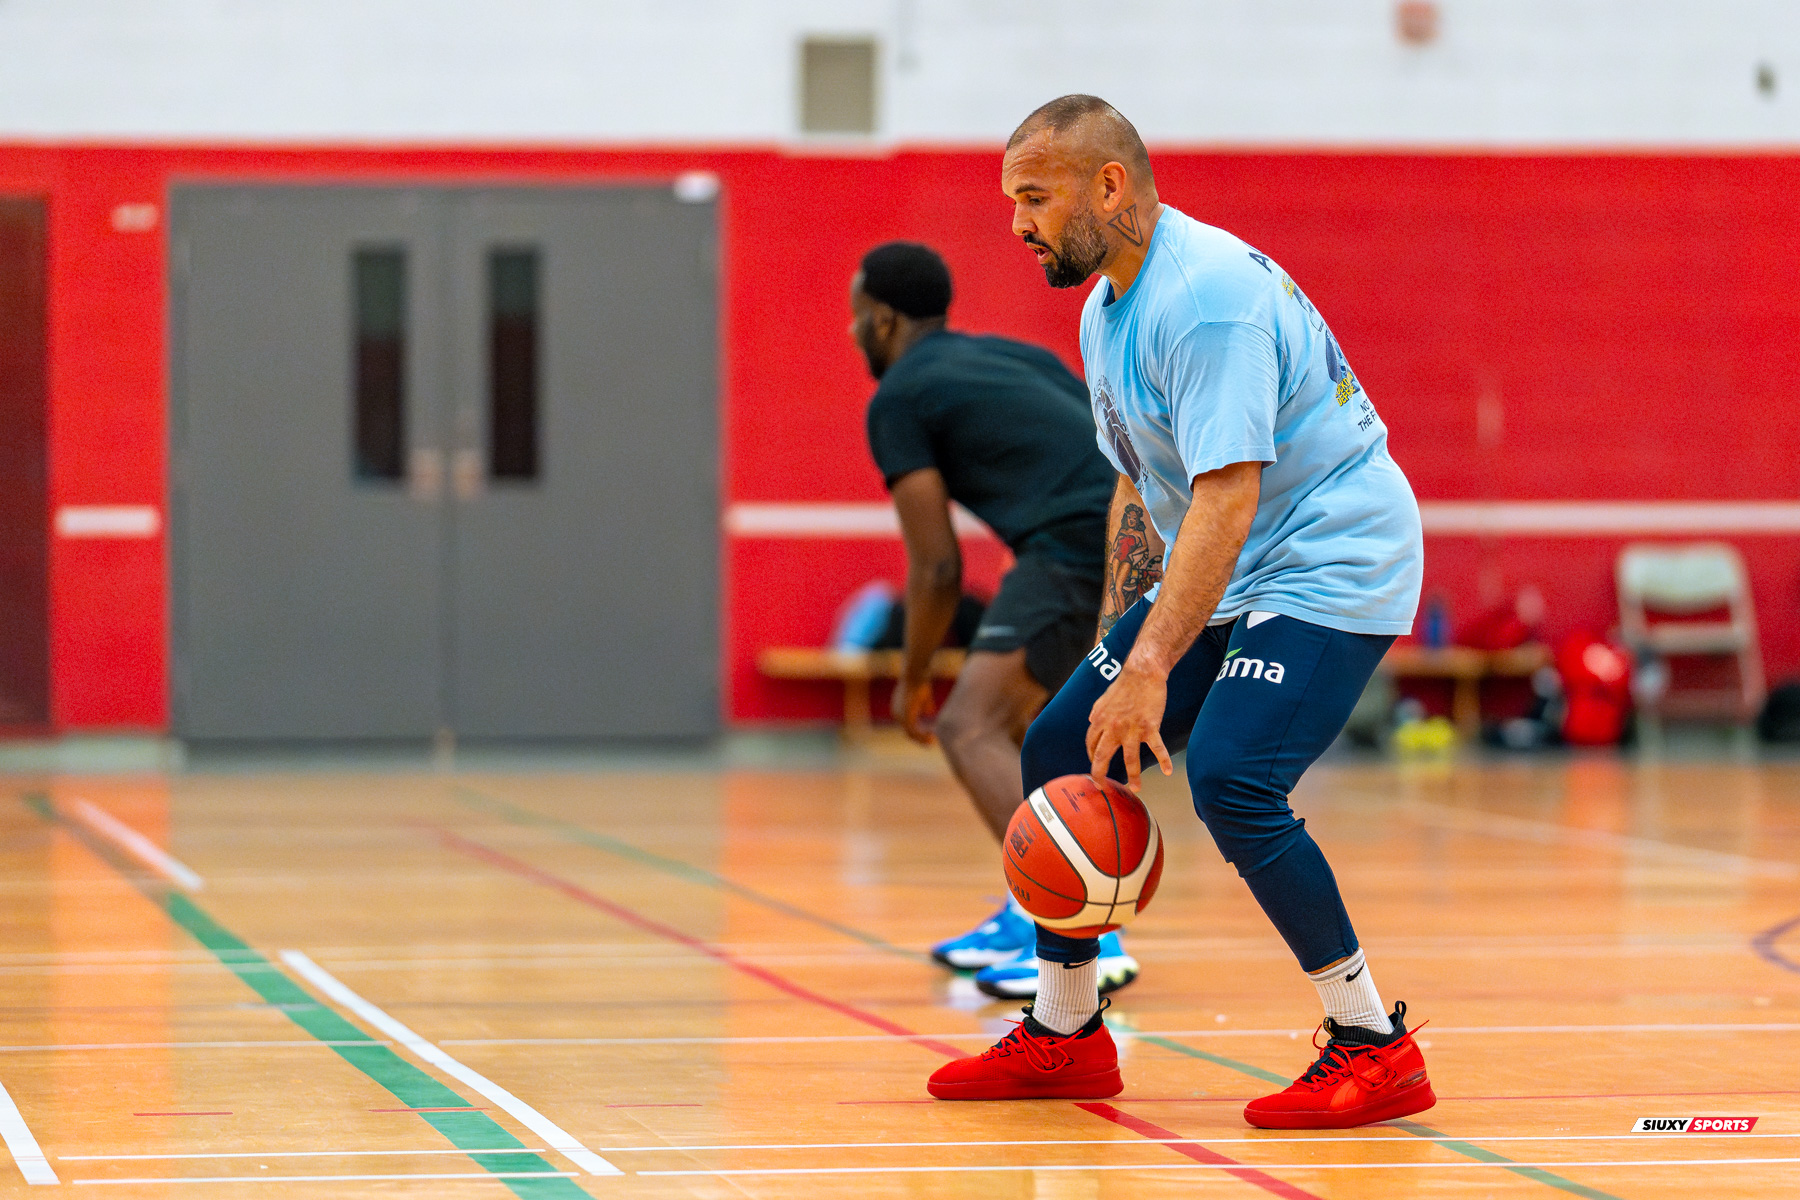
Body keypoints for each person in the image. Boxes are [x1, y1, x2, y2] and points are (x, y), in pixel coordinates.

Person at [926, 98, 1434, 1131]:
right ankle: (1067, 1034)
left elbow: (1228, 495)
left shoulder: (1203, 301)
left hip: (1330, 560)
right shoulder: (1107, 304)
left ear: (1109, 187)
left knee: (1235, 778)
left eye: (1036, 197)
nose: (1018, 224)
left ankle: (1374, 1043)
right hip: (1229, 563)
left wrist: (1155, 664)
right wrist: (1122, 646)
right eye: (1011, 200)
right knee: (1062, 741)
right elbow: (1139, 491)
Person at [851, 241, 1143, 999]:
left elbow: (938, 567)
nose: (853, 333)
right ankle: (1029, 911)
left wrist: (912, 679)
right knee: (1022, 731)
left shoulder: (898, 399)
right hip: (1132, 535)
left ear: (881, 320)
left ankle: (1081, 925)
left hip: (1070, 549)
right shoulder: (1012, 357)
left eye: (857, 318)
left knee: (966, 726)